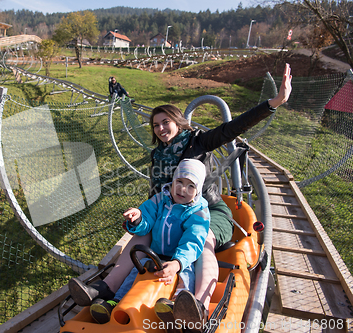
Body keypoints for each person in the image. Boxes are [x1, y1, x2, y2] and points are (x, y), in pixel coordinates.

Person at [69, 64, 292, 329]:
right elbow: (156, 197)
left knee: (204, 237)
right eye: (155, 125)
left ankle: (197, 302)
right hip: (170, 209)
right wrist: (139, 217)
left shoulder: (197, 142)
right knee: (140, 236)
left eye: (166, 122)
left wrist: (274, 102)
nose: (161, 128)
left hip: (205, 209)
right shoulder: (158, 155)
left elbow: (232, 128)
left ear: (177, 122)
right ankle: (105, 290)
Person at [90, 158, 210, 324]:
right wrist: (138, 219)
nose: (183, 188)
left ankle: (178, 308)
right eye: (179, 181)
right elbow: (146, 219)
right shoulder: (160, 199)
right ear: (173, 181)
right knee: (135, 275)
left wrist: (177, 263)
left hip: (179, 260)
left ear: (198, 190)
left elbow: (193, 241)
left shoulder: (198, 211)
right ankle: (116, 302)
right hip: (154, 254)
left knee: (186, 277)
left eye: (191, 186)